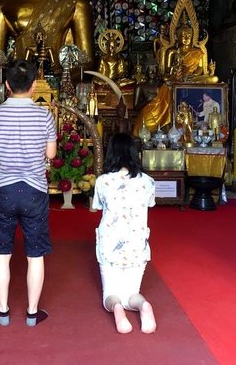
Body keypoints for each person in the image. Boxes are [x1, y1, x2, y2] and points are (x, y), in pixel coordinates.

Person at [0, 59, 57, 326]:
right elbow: (50, 153)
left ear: (6, 85)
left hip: (3, 188)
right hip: (34, 190)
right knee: (34, 254)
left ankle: (3, 312)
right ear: (35, 85)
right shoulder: (44, 115)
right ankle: (31, 313)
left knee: (2, 253)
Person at [91, 133, 157, 334]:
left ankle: (117, 309)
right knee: (133, 293)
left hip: (110, 244)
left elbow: (98, 206)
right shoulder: (148, 181)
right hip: (137, 243)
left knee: (110, 295)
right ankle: (143, 306)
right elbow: (150, 204)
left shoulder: (103, 181)